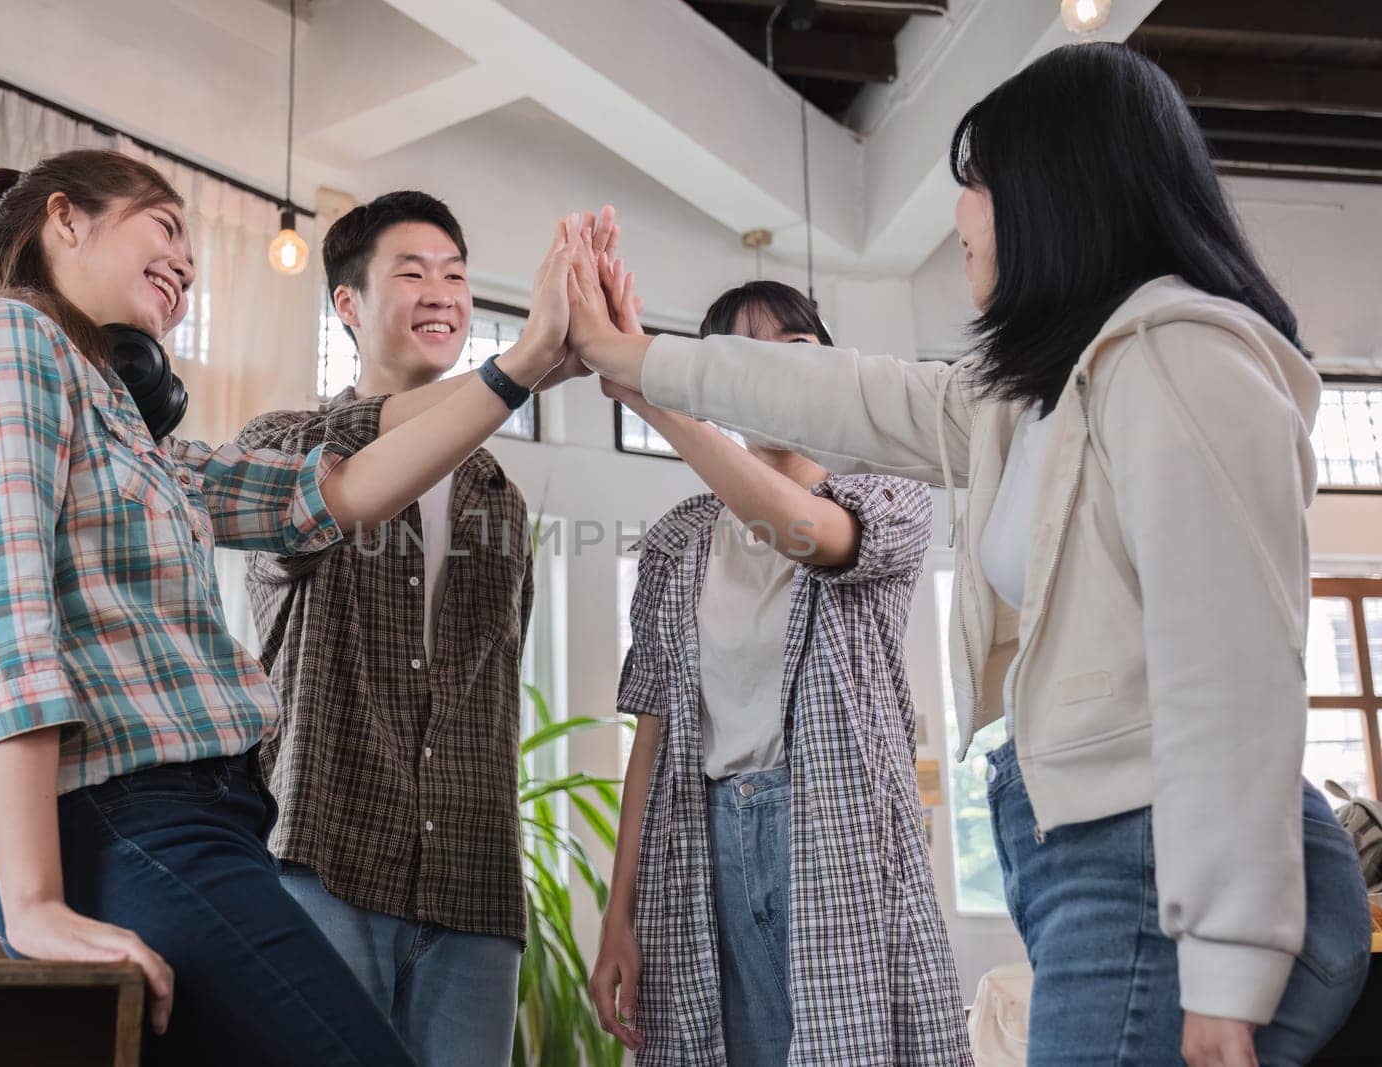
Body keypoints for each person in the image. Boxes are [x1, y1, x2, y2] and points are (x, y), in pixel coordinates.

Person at [567, 43, 1372, 1067]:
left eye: (976, 184)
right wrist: (631, 356)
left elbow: (1231, 678)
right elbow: (850, 394)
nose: (959, 217)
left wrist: (1221, 971)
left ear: (1054, 190)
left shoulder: (1181, 357)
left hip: (1155, 861)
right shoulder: (1030, 397)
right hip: (1078, 854)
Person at [0, 149, 586, 1066]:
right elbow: (3, 627)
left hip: (213, 819)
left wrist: (526, 364)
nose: (183, 262)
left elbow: (343, 492)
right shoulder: (1, 343)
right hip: (130, 815)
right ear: (65, 219)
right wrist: (35, 901)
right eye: (165, 227)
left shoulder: (135, 434)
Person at [233, 192, 612, 1066]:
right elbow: (338, 458)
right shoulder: (284, 444)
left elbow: (496, 692)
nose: (442, 291)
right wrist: (518, 366)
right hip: (323, 860)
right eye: (411, 272)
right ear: (348, 305)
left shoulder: (501, 501)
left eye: (456, 274)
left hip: (475, 891)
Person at [587, 277, 973, 1066]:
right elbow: (652, 735)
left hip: (838, 834)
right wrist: (617, 913)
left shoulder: (886, 494)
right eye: (743, 357)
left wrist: (655, 397)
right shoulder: (678, 542)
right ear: (716, 381)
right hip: (704, 843)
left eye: (795, 351)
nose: (774, 375)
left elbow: (806, 533)